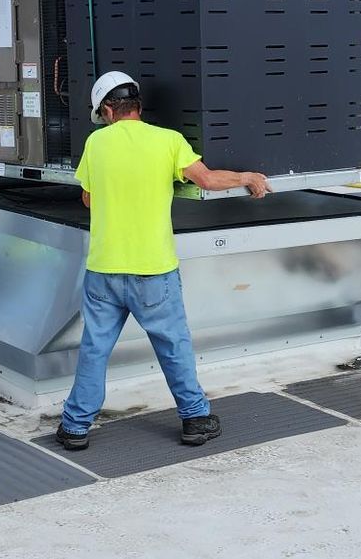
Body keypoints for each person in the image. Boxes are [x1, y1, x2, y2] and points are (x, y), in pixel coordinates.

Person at [54, 71, 270, 452]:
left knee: (95, 349)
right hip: (154, 270)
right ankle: (195, 419)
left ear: (106, 109)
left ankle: (74, 427)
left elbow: (87, 199)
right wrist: (246, 176)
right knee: (173, 345)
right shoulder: (168, 141)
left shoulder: (96, 144)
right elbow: (205, 180)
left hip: (104, 269)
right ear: (136, 105)